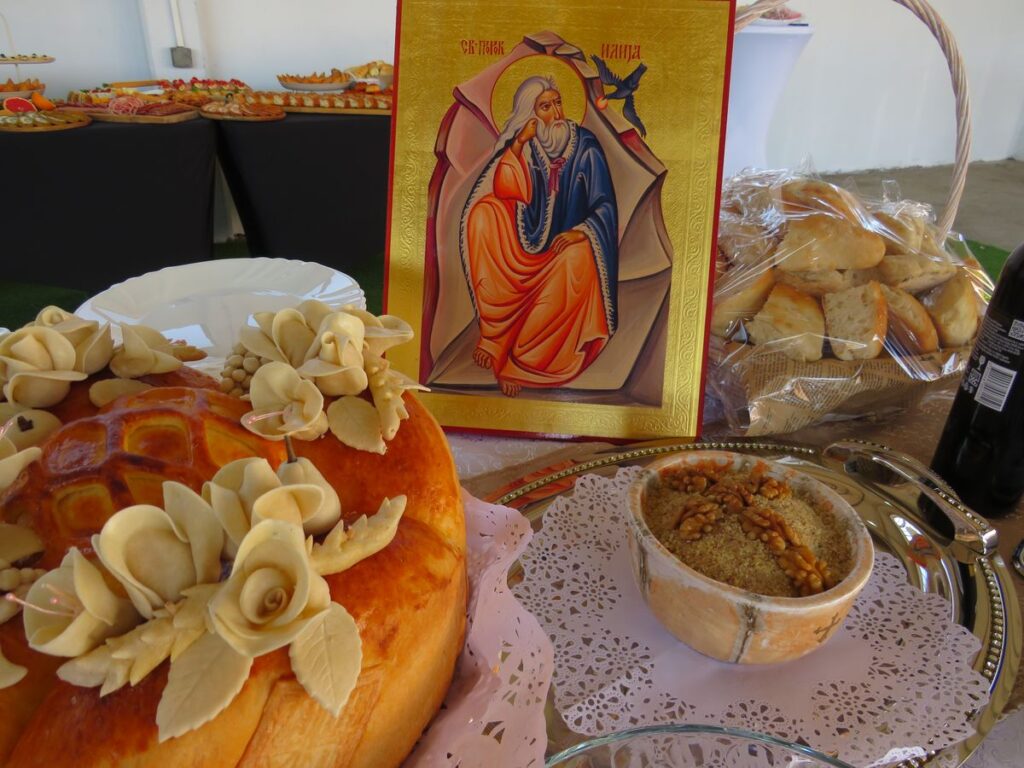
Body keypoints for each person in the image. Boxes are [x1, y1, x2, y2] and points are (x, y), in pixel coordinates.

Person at [460, 75, 618, 397]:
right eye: (545, 107)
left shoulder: (585, 147)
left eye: (558, 103)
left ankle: (522, 360)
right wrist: (518, 143)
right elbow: (506, 188)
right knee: (484, 215)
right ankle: (495, 337)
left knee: (577, 257)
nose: (556, 113)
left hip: (568, 251)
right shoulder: (529, 147)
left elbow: (605, 206)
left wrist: (581, 232)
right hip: (530, 245)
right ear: (531, 114)